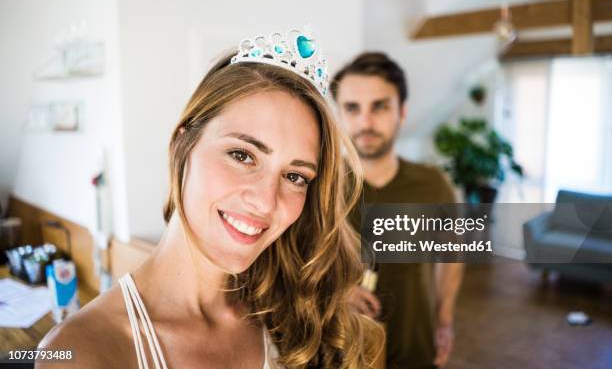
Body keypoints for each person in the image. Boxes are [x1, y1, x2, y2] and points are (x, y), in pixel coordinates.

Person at [38, 29, 383, 369]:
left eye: (294, 177)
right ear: (181, 146)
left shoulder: (297, 320)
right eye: (242, 155)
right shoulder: (81, 353)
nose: (266, 202)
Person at [331, 52, 465, 369]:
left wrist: (444, 319)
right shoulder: (315, 185)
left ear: (402, 113)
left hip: (415, 349)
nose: (366, 122)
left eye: (380, 106)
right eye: (352, 108)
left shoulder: (433, 185)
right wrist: (333, 293)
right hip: (337, 352)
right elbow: (290, 266)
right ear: (338, 115)